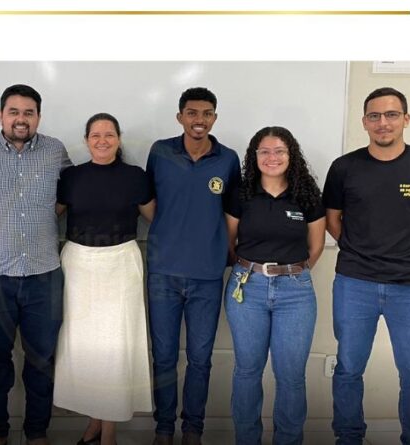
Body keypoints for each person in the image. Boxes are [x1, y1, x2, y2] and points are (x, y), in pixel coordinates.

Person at [323, 87, 410, 445]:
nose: (383, 123)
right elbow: (332, 220)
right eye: (375, 116)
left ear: (406, 119)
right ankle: (348, 437)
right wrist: (358, 251)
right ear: (364, 122)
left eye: (391, 115)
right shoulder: (344, 168)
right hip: (355, 284)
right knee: (349, 369)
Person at [0, 84, 72, 445]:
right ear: (0, 115)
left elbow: (70, 194)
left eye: (28, 112)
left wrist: (48, 213)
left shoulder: (55, 151)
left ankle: (37, 433)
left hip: (44, 276)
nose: (21, 119)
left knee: (42, 361)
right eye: (13, 111)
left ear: (38, 117)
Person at [146, 87, 241, 445]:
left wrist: (220, 250)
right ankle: (164, 428)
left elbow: (232, 214)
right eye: (191, 112)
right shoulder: (160, 152)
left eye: (206, 113)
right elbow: (150, 203)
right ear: (180, 117)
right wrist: (172, 233)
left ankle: (193, 430)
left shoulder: (228, 159)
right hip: (163, 272)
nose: (198, 119)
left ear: (214, 118)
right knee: (164, 357)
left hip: (208, 275)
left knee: (201, 359)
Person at [53, 113, 155, 445]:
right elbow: (47, 215)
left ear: (119, 138)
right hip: (79, 266)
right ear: (86, 140)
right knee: (88, 349)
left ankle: (107, 433)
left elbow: (157, 218)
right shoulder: (70, 177)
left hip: (121, 265)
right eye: (95, 135)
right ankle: (94, 424)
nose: (102, 140)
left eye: (109, 134)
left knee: (116, 348)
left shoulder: (135, 176)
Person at [223, 126, 325, 445]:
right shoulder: (240, 193)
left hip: (296, 293)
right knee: (247, 371)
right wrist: (250, 269)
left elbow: (317, 246)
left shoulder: (307, 194)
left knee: (291, 376)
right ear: (254, 157)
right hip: (246, 289)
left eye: (279, 151)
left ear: (291, 155)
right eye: (264, 151)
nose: (272, 157)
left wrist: (291, 272)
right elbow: (229, 243)